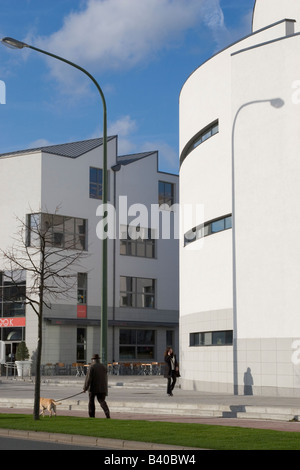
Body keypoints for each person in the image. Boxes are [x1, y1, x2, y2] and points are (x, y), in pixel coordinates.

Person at [83, 354, 110, 418]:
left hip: (93, 388)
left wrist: (85, 388)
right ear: (98, 360)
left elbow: (88, 379)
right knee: (101, 401)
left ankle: (92, 415)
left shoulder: (92, 367)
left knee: (91, 402)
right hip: (102, 387)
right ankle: (107, 412)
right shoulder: (103, 367)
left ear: (93, 360)